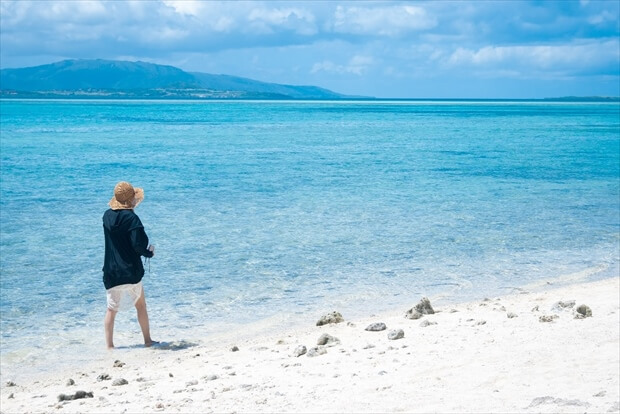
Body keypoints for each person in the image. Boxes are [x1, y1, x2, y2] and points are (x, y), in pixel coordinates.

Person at [102, 181, 156, 349]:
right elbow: (138, 245)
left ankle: (110, 346)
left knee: (111, 310)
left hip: (111, 271)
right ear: (131, 200)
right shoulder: (132, 218)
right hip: (131, 271)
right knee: (141, 306)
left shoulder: (106, 216)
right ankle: (147, 341)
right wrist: (149, 253)